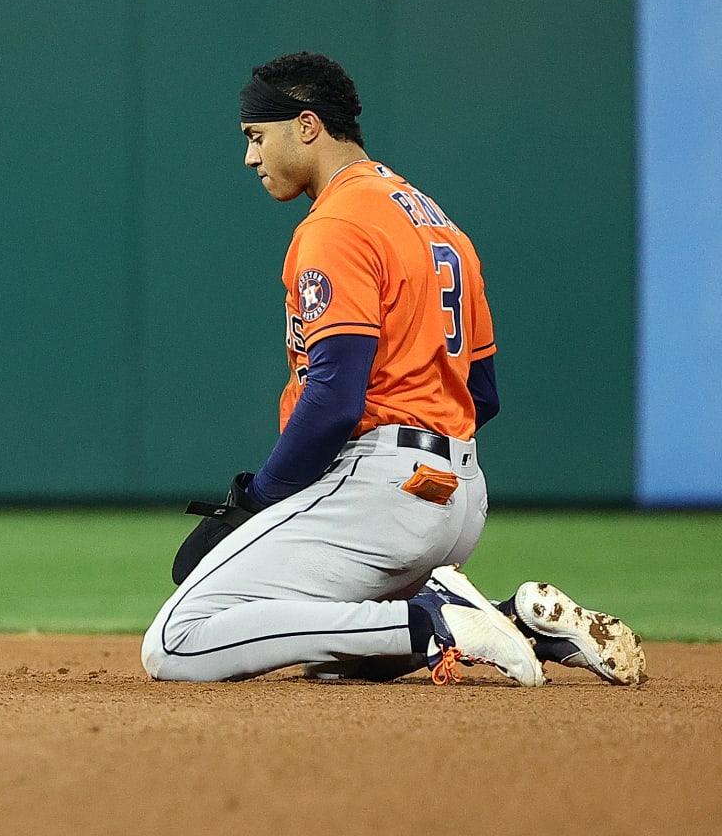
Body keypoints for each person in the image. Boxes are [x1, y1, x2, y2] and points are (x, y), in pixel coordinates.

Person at [141, 52, 645, 688]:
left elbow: (333, 399)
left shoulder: (337, 224)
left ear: (306, 126)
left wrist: (258, 501)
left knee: (174, 644)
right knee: (337, 661)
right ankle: (509, 620)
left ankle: (439, 621)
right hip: (457, 496)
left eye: (255, 136)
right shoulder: (437, 222)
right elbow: (481, 393)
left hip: (382, 488)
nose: (250, 157)